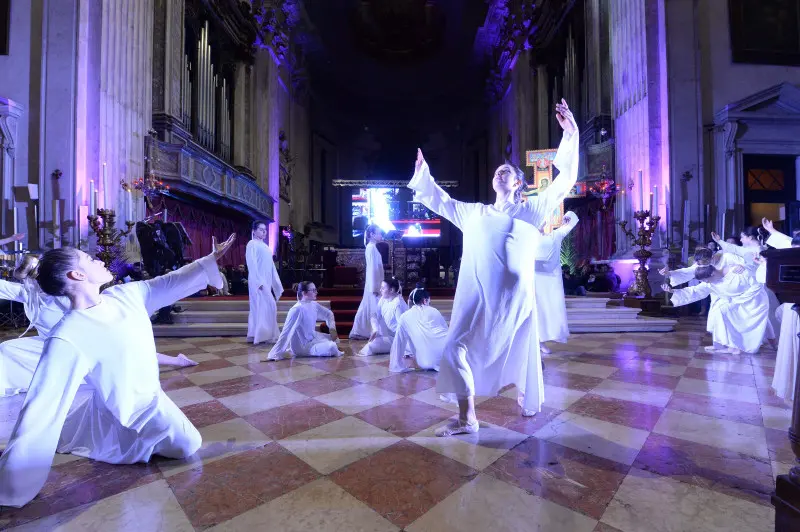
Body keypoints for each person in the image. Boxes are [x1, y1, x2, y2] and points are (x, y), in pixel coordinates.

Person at [0, 234, 235, 508]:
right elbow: (42, 407)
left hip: (153, 400)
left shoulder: (125, 295)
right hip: (126, 408)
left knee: (187, 444)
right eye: (89, 259)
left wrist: (210, 260)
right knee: (186, 444)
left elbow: (169, 283)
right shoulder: (67, 335)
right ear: (77, 274)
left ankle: (116, 434)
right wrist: (14, 481)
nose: (98, 259)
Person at [409, 99, 578, 436]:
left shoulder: (533, 209)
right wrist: (423, 174)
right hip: (479, 294)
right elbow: (442, 201)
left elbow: (564, 181)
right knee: (455, 345)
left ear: (519, 183)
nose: (500, 173)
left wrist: (570, 135)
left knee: (520, 345)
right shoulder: (476, 214)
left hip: (515, 298)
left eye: (507, 172)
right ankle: (467, 416)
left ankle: (519, 394)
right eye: (497, 172)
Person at [0, 255, 198, 397]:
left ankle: (176, 361)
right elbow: (4, 288)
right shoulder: (30, 296)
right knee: (8, 349)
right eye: (32, 275)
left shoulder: (67, 296)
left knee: (118, 351)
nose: (36, 278)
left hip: (81, 345)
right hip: (52, 345)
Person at [662, 262, 770, 354]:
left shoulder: (736, 271)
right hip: (734, 302)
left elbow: (757, 284)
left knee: (725, 310)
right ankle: (723, 345)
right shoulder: (710, 282)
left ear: (712, 273)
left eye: (706, 280)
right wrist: (672, 291)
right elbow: (695, 291)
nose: (706, 283)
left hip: (753, 301)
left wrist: (738, 300)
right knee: (719, 311)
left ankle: (736, 346)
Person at [534, 211, 579, 353]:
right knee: (535, 310)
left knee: (548, 309)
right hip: (533, 278)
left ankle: (542, 340)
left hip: (550, 280)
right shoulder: (526, 240)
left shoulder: (555, 235)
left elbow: (570, 223)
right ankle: (535, 341)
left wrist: (568, 217)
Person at [266, 281, 343, 360]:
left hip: (312, 338)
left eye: (315, 290)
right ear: (304, 293)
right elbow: (286, 332)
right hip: (302, 346)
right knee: (332, 347)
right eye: (313, 290)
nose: (316, 292)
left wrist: (332, 329)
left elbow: (328, 314)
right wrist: (275, 353)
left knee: (335, 340)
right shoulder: (297, 309)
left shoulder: (313, 304)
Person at [389, 284, 447, 373]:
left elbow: (399, 342)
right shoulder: (434, 311)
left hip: (425, 362)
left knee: (410, 338)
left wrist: (397, 364)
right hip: (447, 359)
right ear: (425, 300)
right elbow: (446, 331)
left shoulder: (405, 316)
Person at [246, 221, 284, 344]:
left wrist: (276, 283)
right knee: (266, 305)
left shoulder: (266, 246)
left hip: (266, 281)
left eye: (265, 230)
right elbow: (251, 264)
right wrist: (258, 282)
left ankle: (258, 334)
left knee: (265, 307)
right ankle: (261, 335)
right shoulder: (252, 244)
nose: (264, 232)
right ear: (254, 230)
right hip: (258, 282)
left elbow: (271, 267)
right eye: (261, 229)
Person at [349, 224, 384, 340]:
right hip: (374, 283)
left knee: (369, 306)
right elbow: (373, 269)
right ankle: (363, 330)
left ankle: (363, 330)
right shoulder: (371, 248)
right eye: (378, 233)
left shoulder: (372, 247)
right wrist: (375, 287)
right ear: (372, 235)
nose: (380, 235)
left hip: (375, 282)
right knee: (372, 307)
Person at [358, 278, 408, 356]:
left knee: (370, 347)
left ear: (391, 290)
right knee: (371, 344)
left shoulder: (398, 304)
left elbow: (403, 327)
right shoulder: (383, 299)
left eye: (383, 288)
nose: (380, 290)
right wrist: (375, 329)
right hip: (391, 337)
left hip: (399, 339)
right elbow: (374, 315)